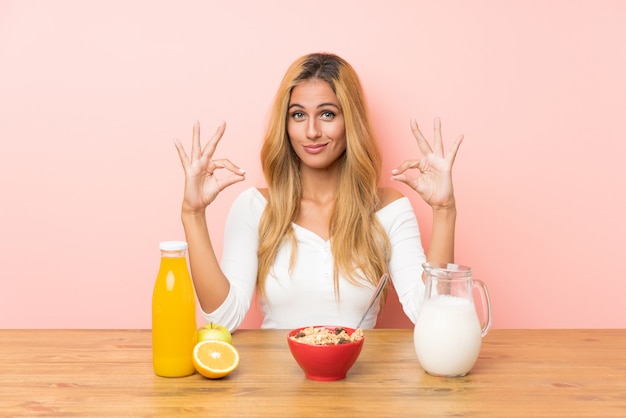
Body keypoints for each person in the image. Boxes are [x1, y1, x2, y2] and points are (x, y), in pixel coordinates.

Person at [174, 52, 463, 331]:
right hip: (276, 378)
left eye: (327, 114)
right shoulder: (254, 207)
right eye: (298, 115)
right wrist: (193, 214)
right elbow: (224, 320)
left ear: (351, 121)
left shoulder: (388, 209)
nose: (311, 131)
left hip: (359, 376)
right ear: (285, 125)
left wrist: (444, 210)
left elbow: (428, 315)